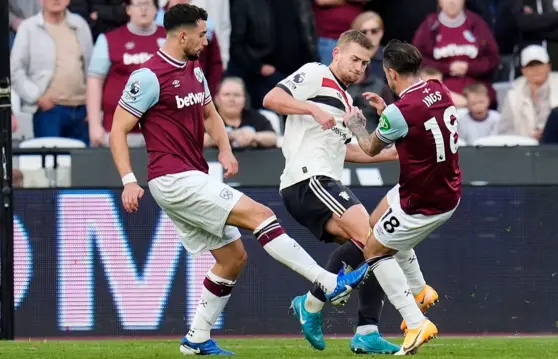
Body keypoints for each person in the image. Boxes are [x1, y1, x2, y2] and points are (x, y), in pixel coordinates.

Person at [109, 4, 368, 356]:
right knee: (261, 215)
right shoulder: (148, 77)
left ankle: (196, 339)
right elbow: (117, 130)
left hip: (192, 173)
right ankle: (326, 282)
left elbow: (210, 114)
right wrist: (128, 179)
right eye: (201, 35)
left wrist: (226, 150)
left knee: (232, 258)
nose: (206, 41)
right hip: (171, 177)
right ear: (182, 34)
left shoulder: (194, 70)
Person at [263, 30, 437, 354]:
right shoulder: (316, 73)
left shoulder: (345, 100)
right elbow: (271, 99)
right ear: (337, 53)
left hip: (324, 182)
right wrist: (311, 109)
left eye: (365, 63)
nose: (359, 68)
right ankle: (412, 319)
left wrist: (402, 149)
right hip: (308, 179)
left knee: (370, 245)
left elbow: (354, 151)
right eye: (354, 59)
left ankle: (363, 329)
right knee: (377, 238)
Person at [344, 40, 462, 355]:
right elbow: (418, 124)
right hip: (444, 187)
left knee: (374, 250)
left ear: (391, 74)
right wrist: (388, 114)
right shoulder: (439, 88)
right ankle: (420, 289)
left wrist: (358, 124)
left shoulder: (399, 113)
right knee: (376, 223)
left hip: (422, 201)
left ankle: (415, 321)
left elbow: (369, 147)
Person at [87, 0, 165, 148]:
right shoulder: (108, 39)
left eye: (148, 4)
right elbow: (95, 82)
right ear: (128, 9)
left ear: (156, 9)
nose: (144, 9)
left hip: (161, 133)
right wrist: (95, 125)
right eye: (138, 4)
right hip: (118, 131)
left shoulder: (171, 39)